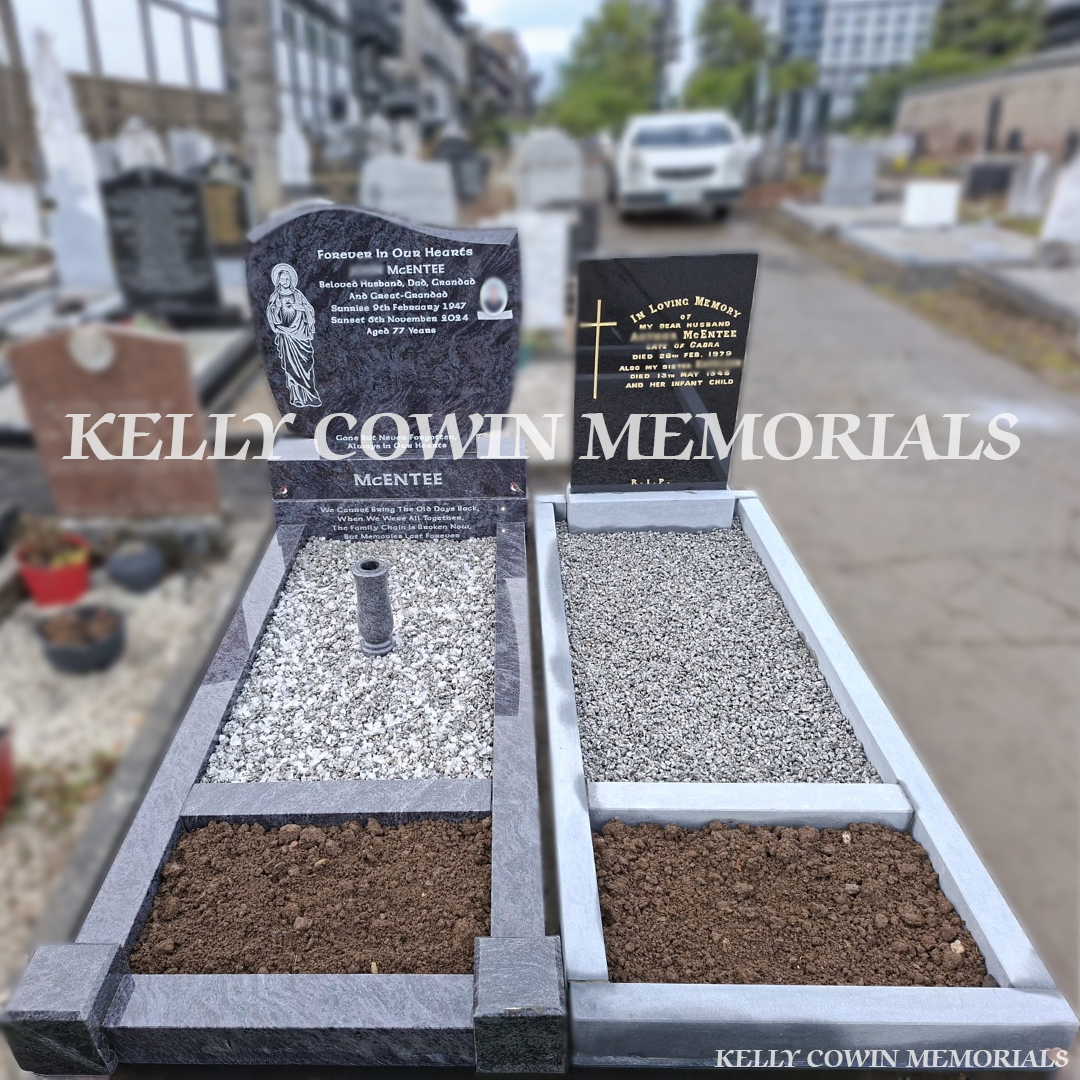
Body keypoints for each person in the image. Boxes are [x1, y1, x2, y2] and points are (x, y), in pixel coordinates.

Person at [267, 263, 321, 408]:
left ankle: (310, 395)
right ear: (278, 280)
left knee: (306, 365)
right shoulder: (275, 296)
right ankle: (297, 398)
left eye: (288, 279)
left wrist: (301, 307)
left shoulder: (297, 294)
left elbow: (309, 310)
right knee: (291, 366)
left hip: (300, 334)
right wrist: (277, 307)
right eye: (283, 279)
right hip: (286, 335)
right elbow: (272, 317)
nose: (285, 282)